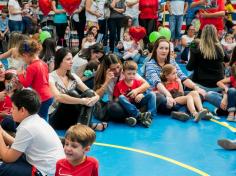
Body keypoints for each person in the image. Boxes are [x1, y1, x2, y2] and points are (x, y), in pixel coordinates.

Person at [0, 89, 65, 176]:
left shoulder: (27, 128)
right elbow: (18, 145)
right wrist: (2, 132)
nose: (11, 111)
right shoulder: (37, 120)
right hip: (53, 165)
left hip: (45, 172)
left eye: (13, 108)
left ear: (22, 110)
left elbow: (7, 158)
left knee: (4, 168)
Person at [145, 37, 208, 121]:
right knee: (161, 99)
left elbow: (182, 77)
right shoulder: (150, 64)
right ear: (156, 49)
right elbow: (157, 83)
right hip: (161, 93)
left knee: (197, 93)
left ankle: (184, 112)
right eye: (161, 48)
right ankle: (187, 110)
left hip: (175, 93)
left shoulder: (171, 61)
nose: (164, 51)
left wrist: (196, 87)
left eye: (166, 48)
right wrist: (168, 95)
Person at [49, 48, 107, 131]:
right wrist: (82, 101)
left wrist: (95, 97)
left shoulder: (73, 76)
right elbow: (59, 97)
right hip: (56, 118)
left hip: (71, 116)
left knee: (89, 93)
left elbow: (90, 92)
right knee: (71, 93)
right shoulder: (50, 77)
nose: (72, 61)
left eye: (72, 59)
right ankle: (86, 126)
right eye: (68, 59)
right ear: (60, 61)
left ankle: (83, 128)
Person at [94, 53, 150, 123]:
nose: (117, 71)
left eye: (118, 67)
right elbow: (96, 97)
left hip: (132, 102)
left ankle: (132, 117)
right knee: (113, 107)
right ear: (107, 69)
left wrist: (136, 91)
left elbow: (146, 84)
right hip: (119, 105)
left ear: (120, 64)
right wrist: (106, 81)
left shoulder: (126, 71)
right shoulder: (103, 76)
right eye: (113, 69)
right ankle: (138, 116)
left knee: (154, 97)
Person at [17, 39, 53, 121]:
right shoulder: (43, 63)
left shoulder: (31, 67)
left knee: (41, 120)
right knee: (44, 117)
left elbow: (26, 84)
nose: (24, 61)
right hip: (49, 95)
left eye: (23, 58)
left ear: (25, 55)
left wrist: (20, 75)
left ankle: (45, 133)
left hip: (42, 97)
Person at [113, 61, 156, 127]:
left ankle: (150, 116)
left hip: (138, 102)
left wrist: (142, 95)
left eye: (134, 74)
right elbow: (115, 99)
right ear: (123, 73)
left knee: (152, 94)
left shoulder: (138, 82)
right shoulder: (119, 85)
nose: (131, 76)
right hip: (129, 107)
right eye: (129, 74)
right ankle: (138, 115)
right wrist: (125, 100)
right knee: (121, 97)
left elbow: (147, 91)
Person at [186, 25, 229, 89]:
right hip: (218, 83)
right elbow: (227, 59)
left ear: (203, 33)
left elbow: (189, 67)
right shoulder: (220, 46)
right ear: (215, 34)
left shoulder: (195, 44)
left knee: (185, 80)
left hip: (200, 83)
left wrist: (192, 47)